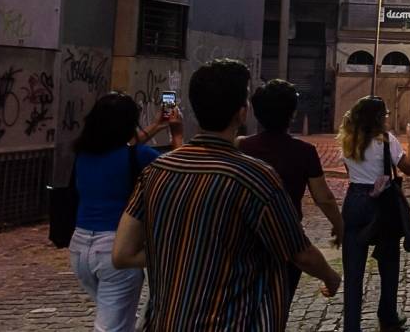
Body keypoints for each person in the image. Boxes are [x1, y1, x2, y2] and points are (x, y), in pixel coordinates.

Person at [112, 59, 340, 331]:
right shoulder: (255, 177)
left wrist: (181, 253)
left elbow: (122, 254)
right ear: (242, 113)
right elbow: (299, 252)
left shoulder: (156, 171)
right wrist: (330, 277)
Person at [69, 92, 180, 332]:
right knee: (113, 326)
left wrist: (155, 126)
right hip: (116, 248)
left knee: (117, 317)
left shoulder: (83, 156)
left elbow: (125, 148)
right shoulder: (139, 156)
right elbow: (180, 171)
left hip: (80, 248)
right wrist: (176, 133)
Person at [239, 79, 344, 303]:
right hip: (287, 241)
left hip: (244, 239)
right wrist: (338, 224)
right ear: (293, 114)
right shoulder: (304, 152)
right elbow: (323, 197)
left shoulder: (241, 146)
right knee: (279, 304)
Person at [338, 96, 410, 332]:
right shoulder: (386, 141)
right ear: (378, 118)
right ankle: (387, 314)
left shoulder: (348, 141)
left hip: (354, 199)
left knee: (353, 271)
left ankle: (352, 326)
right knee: (389, 261)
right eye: (385, 115)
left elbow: (350, 171)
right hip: (382, 203)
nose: (387, 118)